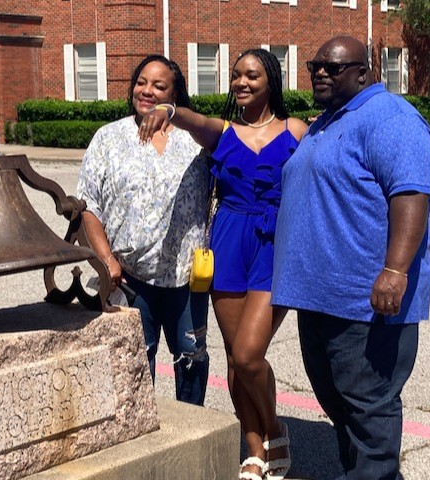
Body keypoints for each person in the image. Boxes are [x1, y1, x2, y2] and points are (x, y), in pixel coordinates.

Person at [271, 36, 430, 480]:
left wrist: (395, 270)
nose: (320, 72)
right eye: (314, 66)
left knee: (371, 413)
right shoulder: (328, 122)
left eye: (332, 66)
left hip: (365, 303)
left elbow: (411, 193)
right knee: (344, 410)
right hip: (319, 299)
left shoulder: (390, 118)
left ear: (363, 73)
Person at [140, 49, 308, 480]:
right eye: (235, 76)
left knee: (251, 354)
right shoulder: (224, 132)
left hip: (275, 244)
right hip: (230, 243)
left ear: (270, 80)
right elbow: (194, 121)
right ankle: (254, 449)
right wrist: (170, 110)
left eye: (251, 75)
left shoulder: (295, 130)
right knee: (235, 358)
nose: (241, 83)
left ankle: (274, 428)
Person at [76, 55, 210, 406]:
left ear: (175, 94)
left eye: (159, 86)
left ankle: (191, 439)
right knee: (134, 364)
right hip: (130, 279)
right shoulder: (109, 138)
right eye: (141, 82)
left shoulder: (195, 141)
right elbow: (89, 204)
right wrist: (106, 260)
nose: (147, 91)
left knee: (192, 360)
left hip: (187, 279)